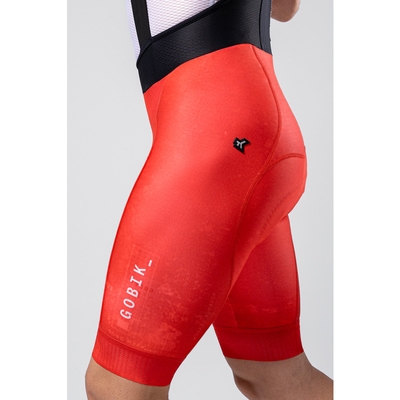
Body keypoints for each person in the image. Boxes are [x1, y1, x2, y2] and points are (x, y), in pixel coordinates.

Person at [85, 0, 333, 398]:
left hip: (218, 134)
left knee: (117, 386)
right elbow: (286, 7)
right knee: (273, 377)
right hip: (247, 127)